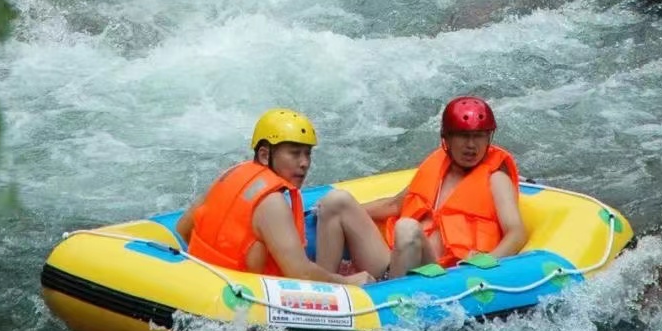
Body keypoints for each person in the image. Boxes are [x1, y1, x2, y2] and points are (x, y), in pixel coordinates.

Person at [322, 96, 527, 282]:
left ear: (488, 138)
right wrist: (322, 212)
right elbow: (393, 205)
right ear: (446, 138)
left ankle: (390, 295)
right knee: (336, 200)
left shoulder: (496, 178)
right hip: (394, 262)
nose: (471, 145)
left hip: (443, 274)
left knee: (407, 228)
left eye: (479, 136)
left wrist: (484, 264)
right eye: (463, 136)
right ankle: (323, 283)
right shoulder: (436, 167)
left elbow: (516, 233)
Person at [176, 109, 376, 285]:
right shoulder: (271, 203)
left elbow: (183, 229)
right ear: (264, 155)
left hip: (205, 280)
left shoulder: (231, 173)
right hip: (243, 299)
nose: (304, 163)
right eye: (295, 153)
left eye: (307, 154)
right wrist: (349, 282)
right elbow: (301, 274)